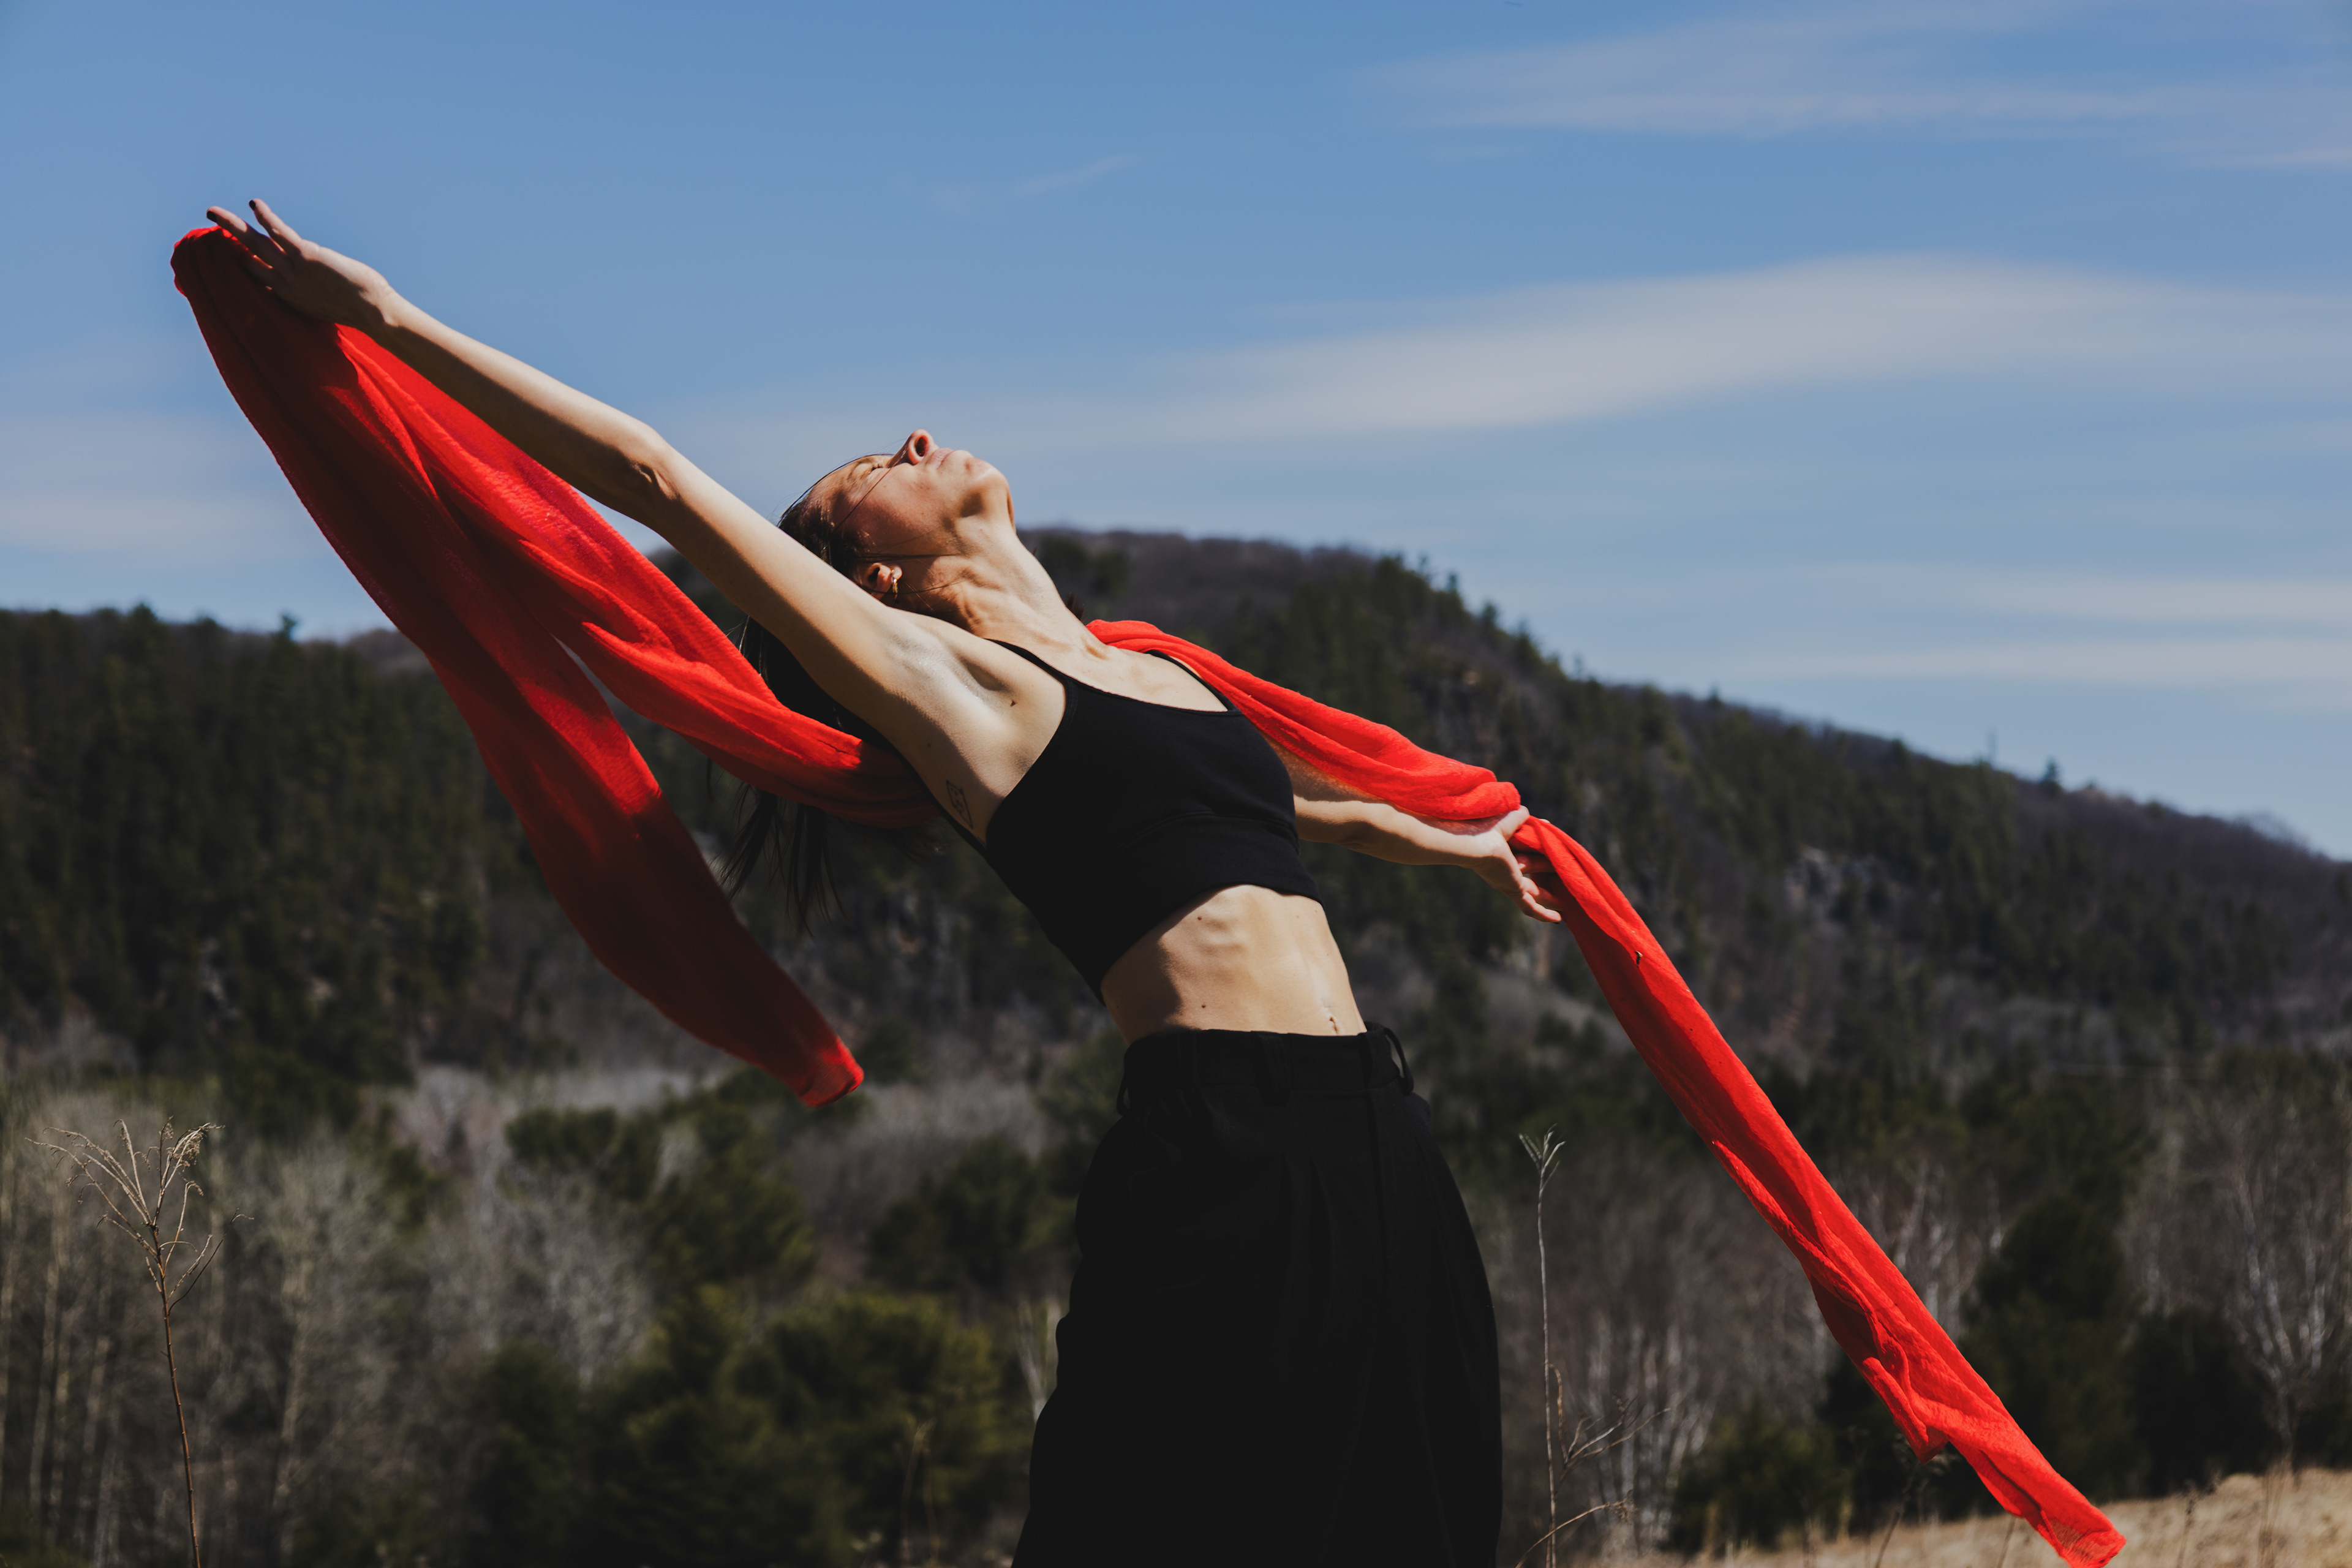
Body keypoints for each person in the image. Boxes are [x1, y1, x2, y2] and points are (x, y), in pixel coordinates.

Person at [206, 199, 1567, 1567]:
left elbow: (1284, 809)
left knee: (1417, 1521)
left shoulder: (1156, 669)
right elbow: (657, 478)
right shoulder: (950, 689)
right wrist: (385, 318)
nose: (917, 436)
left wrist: (1456, 843)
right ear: (870, 572)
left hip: (1383, 1132)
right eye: (873, 466)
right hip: (1224, 1145)